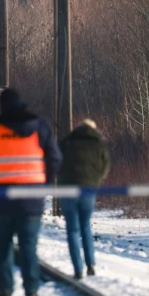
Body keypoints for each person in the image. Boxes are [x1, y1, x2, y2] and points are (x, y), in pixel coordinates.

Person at [0, 88, 61, 296]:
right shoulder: (39, 127)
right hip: (31, 201)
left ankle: (5, 294)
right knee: (29, 249)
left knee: (3, 248)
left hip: (1, 202)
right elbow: (55, 158)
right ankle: (31, 294)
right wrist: (41, 182)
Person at [58, 119, 111, 279]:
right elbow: (105, 166)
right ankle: (91, 264)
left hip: (68, 189)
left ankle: (78, 269)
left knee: (72, 230)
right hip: (89, 189)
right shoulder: (99, 145)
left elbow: (57, 162)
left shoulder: (66, 142)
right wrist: (97, 180)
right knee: (85, 226)